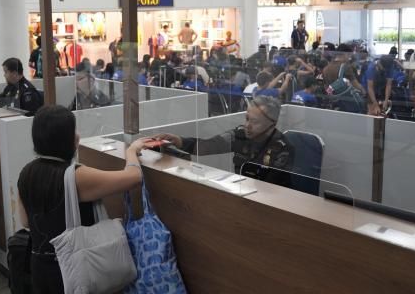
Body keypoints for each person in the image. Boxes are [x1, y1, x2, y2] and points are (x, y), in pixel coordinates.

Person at [17, 105, 154, 294]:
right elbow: (134, 178)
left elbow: (25, 221)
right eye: (74, 130)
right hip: (71, 269)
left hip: (40, 266)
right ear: (66, 139)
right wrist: (132, 151)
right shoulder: (75, 176)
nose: (78, 135)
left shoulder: (26, 172)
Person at [155, 96, 294, 177]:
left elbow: (274, 187)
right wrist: (178, 140)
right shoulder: (240, 135)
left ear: (272, 124)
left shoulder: (282, 148)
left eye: (255, 122)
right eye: (247, 119)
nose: (247, 125)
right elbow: (206, 146)